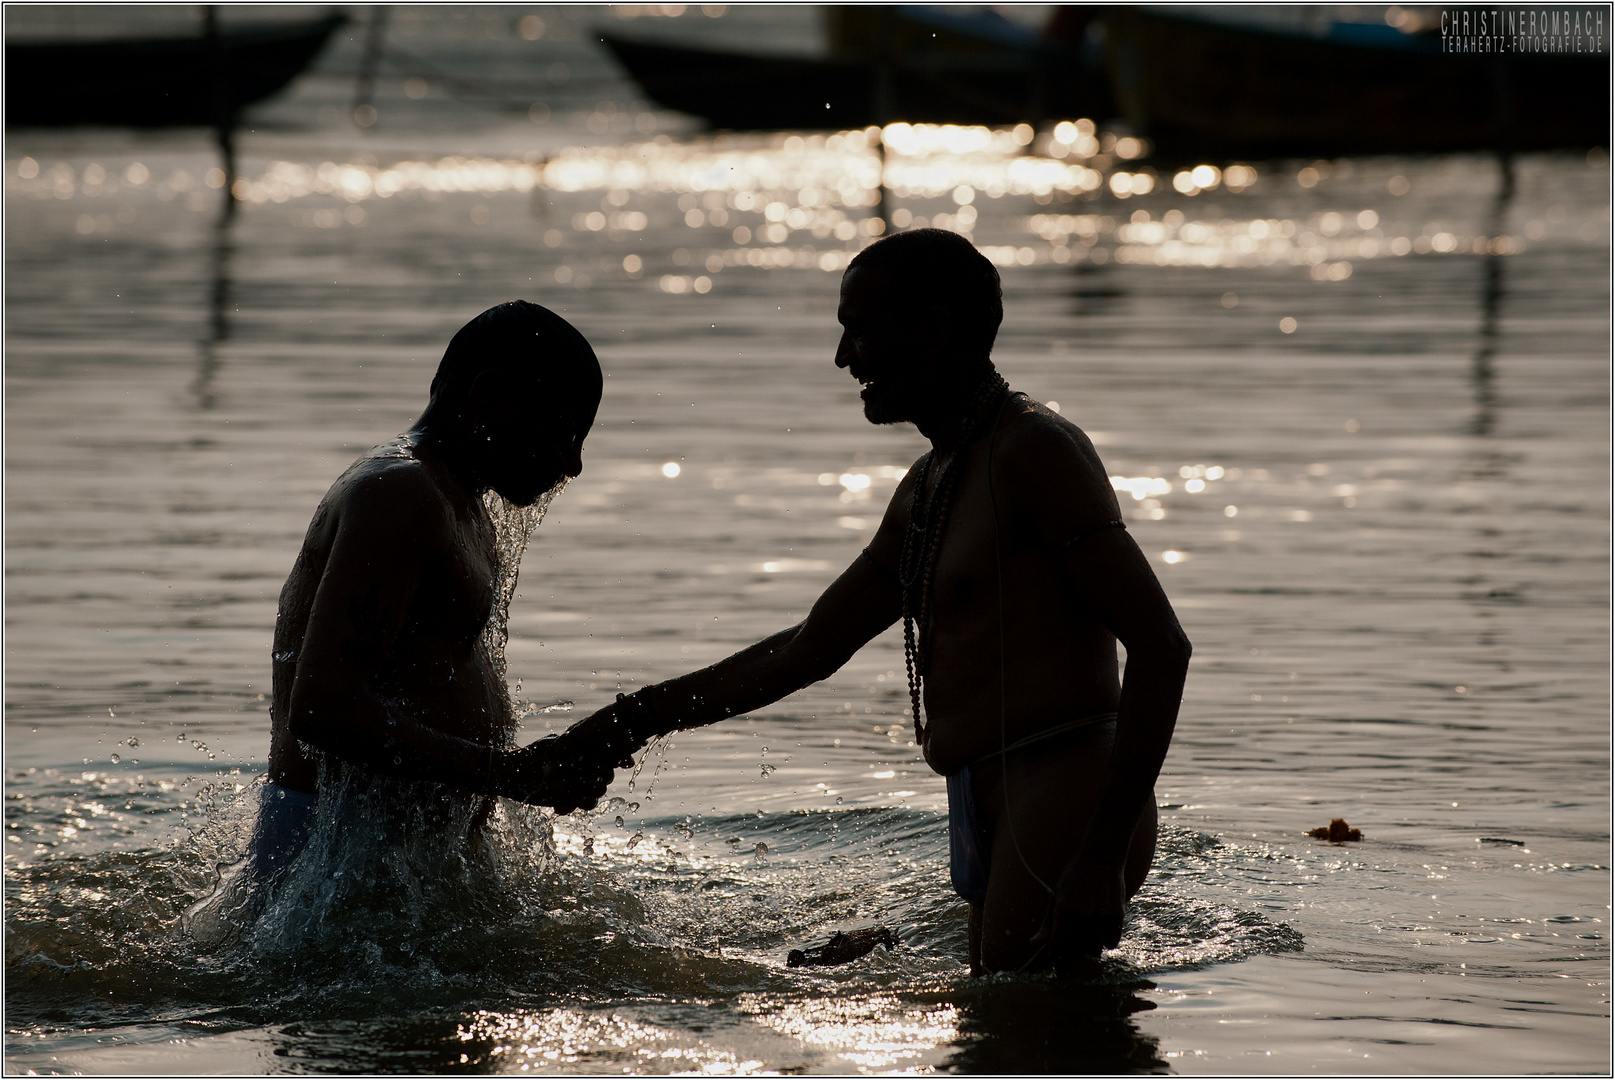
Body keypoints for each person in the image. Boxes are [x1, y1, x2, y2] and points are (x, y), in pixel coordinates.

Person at [565, 231, 1191, 973]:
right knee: (996, 1033)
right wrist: (628, 720)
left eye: (859, 330)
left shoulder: (1034, 452)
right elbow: (808, 648)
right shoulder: (929, 486)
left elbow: (1160, 646)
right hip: (984, 797)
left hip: (1063, 794)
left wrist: (1100, 854)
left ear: (931, 330)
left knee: (1021, 1038)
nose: (843, 357)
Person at [253, 300, 638, 897]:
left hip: (384, 852)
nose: (574, 463)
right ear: (487, 396)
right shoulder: (400, 495)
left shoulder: (455, 499)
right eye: (564, 431)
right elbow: (323, 710)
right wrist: (508, 775)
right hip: (332, 852)